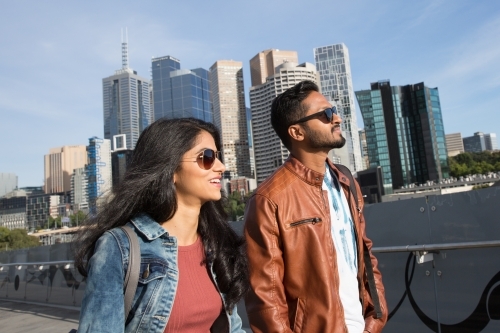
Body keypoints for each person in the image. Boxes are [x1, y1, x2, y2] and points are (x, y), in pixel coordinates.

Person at [75, 118, 249, 333]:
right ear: (171, 170)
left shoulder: (215, 244)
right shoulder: (119, 247)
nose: (221, 167)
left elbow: (234, 328)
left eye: (218, 157)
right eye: (207, 158)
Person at [244, 80, 388, 333]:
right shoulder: (270, 199)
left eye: (334, 111)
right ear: (297, 133)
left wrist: (376, 316)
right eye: (326, 114)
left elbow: (366, 256)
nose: (337, 119)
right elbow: (265, 295)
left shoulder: (347, 183)